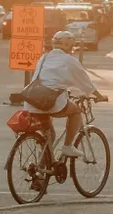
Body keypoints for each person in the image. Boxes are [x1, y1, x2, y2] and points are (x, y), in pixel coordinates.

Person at [24, 31, 105, 159]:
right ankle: (67, 147)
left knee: (49, 134)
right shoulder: (69, 60)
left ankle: (41, 170)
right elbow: (85, 82)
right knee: (76, 112)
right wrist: (99, 96)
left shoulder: (43, 57)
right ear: (68, 45)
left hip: (32, 102)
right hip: (51, 102)